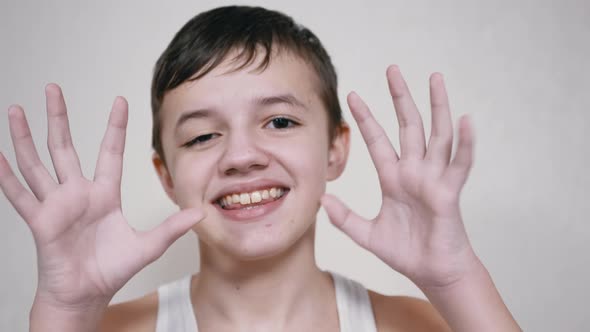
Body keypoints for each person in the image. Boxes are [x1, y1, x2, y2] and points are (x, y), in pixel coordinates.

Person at [0, 5, 521, 332]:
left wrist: (456, 280)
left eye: (278, 122)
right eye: (203, 135)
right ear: (166, 176)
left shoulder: (419, 325)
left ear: (336, 149)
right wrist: (65, 313)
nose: (242, 155)